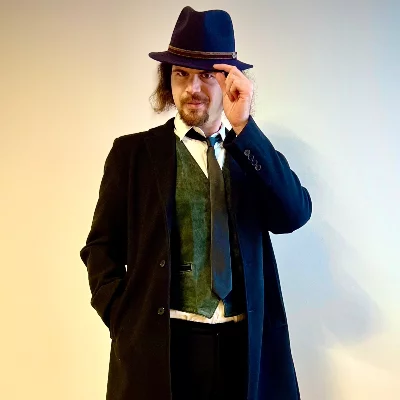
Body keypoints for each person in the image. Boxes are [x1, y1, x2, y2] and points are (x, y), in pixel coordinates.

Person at [80, 6, 312, 400]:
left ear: (231, 81)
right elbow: (100, 248)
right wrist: (122, 315)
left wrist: (244, 126)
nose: (193, 88)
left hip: (243, 346)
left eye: (207, 75)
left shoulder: (250, 154)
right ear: (167, 80)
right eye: (181, 74)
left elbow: (294, 214)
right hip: (164, 347)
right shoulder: (132, 154)